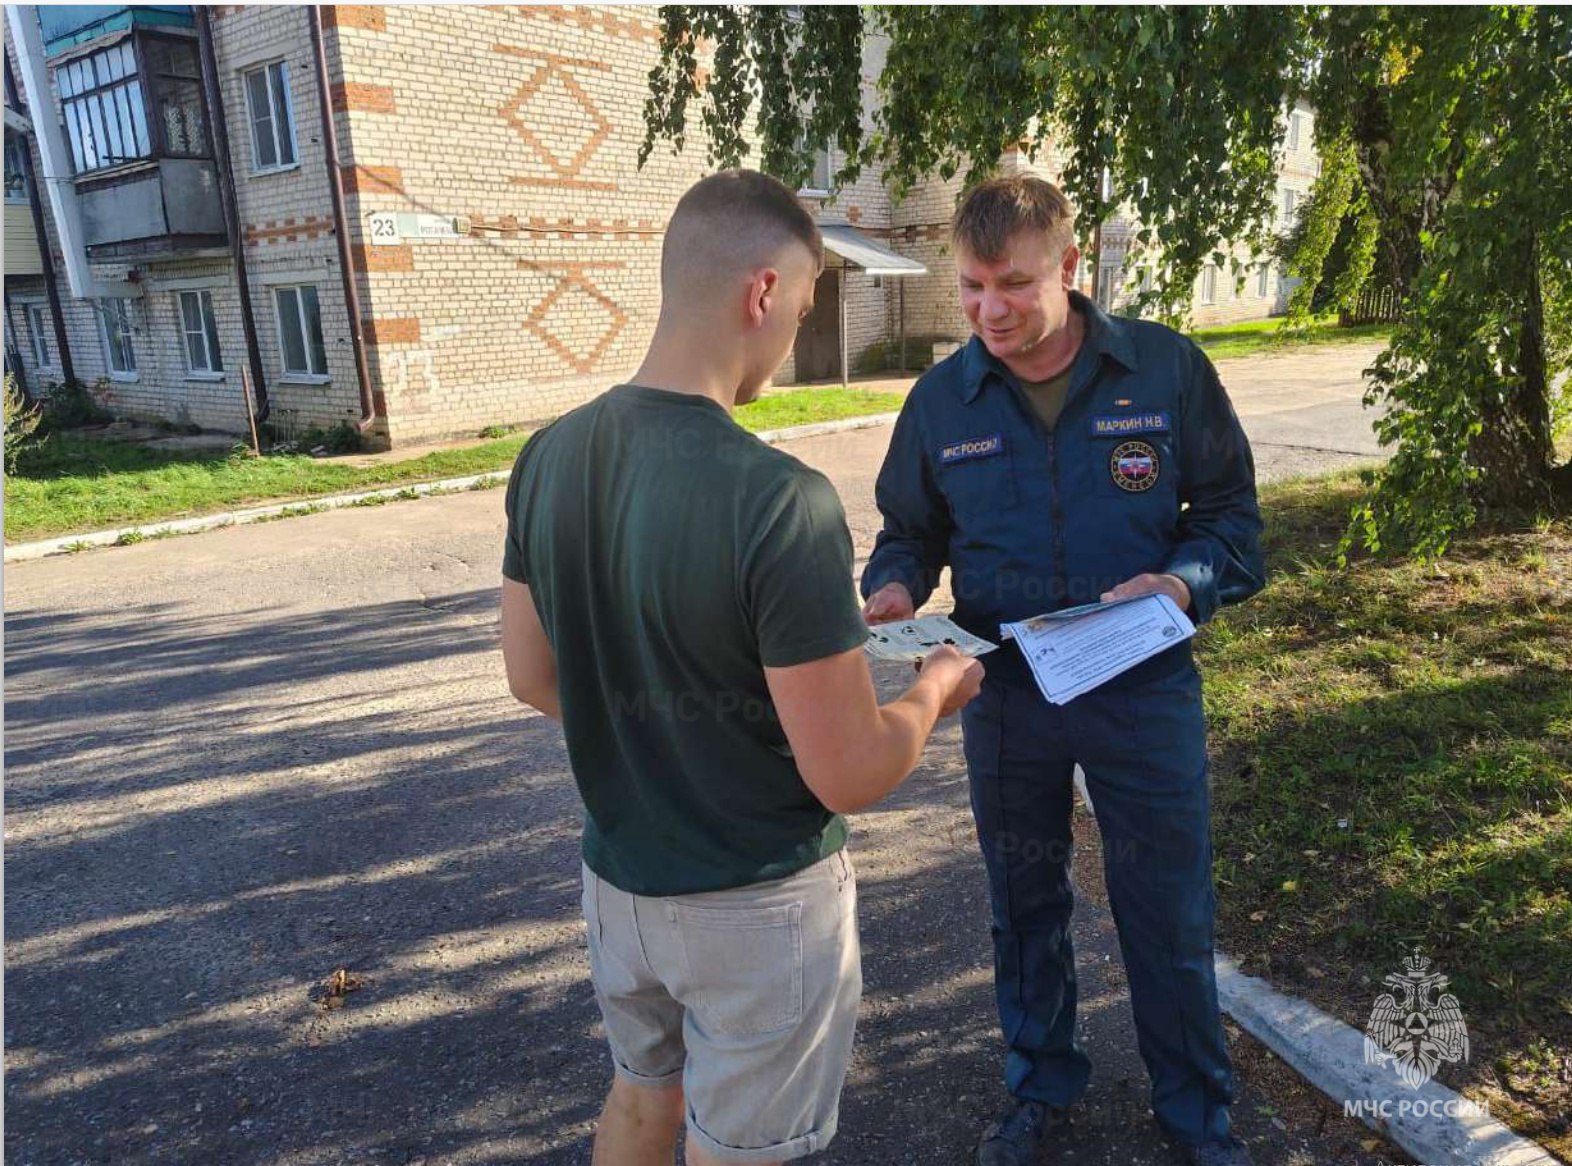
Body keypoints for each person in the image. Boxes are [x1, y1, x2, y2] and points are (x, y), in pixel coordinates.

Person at [500, 169, 984, 1166]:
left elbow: (532, 672)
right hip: (755, 905)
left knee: (640, 1101)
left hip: (620, 885)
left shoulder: (548, 455)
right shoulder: (781, 500)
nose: (798, 333)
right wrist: (934, 688)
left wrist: (675, 717)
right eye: (805, 307)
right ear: (762, 293)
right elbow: (848, 770)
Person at [861, 175, 1266, 1166]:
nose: (989, 310)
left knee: (1165, 904)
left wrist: (1179, 585)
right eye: (970, 286)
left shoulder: (1164, 373)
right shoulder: (942, 399)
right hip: (1009, 695)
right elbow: (907, 532)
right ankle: (1041, 1084)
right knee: (1024, 900)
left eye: (1012, 284)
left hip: (1141, 684)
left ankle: (1196, 1113)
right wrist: (895, 589)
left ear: (1071, 268)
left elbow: (1233, 526)